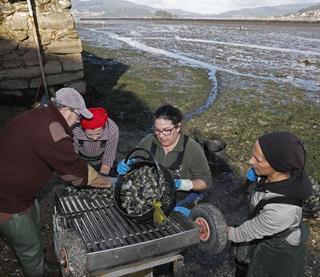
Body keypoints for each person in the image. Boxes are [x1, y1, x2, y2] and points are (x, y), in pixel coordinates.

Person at [0, 88, 112, 277]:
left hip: (22, 192)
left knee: (34, 231)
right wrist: (108, 183)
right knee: (30, 249)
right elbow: (76, 172)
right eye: (77, 116)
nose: (78, 121)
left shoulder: (39, 113)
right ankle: (36, 270)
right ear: (66, 109)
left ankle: (44, 267)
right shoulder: (51, 130)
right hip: (8, 201)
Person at [228, 131, 313, 277]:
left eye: (257, 159)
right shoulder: (276, 175)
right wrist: (255, 179)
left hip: (278, 255)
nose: (250, 161)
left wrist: (216, 230)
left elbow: (242, 233)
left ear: (277, 164)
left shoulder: (282, 211)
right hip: (267, 233)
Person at [117, 104, 212, 209]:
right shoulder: (149, 140)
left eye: (166, 130)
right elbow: (134, 161)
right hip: (151, 197)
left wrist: (182, 184)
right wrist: (127, 164)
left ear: (178, 127)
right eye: (157, 130)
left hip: (181, 201)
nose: (161, 135)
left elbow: (205, 182)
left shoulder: (192, 148)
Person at [73, 107, 119, 176]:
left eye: (98, 133)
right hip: (81, 162)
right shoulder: (75, 129)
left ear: (104, 126)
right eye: (89, 134)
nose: (94, 138)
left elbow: (108, 158)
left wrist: (103, 178)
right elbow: (72, 156)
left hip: (102, 162)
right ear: (83, 129)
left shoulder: (111, 129)